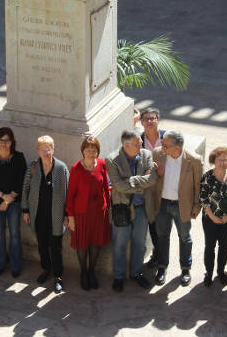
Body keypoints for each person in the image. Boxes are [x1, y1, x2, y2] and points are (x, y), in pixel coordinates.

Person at [106, 130, 157, 292]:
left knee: (140, 243)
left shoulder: (146, 155)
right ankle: (119, 276)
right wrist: (140, 183)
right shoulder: (112, 159)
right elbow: (118, 186)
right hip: (122, 208)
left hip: (141, 208)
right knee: (120, 244)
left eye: (140, 142)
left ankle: (136, 273)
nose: (141, 144)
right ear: (126, 145)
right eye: (138, 143)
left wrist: (130, 182)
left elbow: (153, 179)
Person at [152, 130, 203, 287]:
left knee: (184, 237)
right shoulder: (157, 154)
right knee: (162, 236)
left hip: (182, 205)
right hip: (162, 204)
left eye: (165, 145)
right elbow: (152, 178)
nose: (162, 147)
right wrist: (158, 175)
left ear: (177, 147)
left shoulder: (194, 160)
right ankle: (162, 268)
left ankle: (185, 269)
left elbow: (198, 186)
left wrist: (196, 207)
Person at [22, 136, 69, 293]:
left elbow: (68, 192)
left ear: (53, 149)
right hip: (38, 214)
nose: (46, 152)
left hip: (56, 215)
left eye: (49, 148)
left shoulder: (61, 168)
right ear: (38, 151)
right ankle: (45, 269)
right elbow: (25, 189)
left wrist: (67, 214)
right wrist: (25, 210)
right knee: (42, 245)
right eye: (43, 149)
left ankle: (57, 276)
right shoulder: (33, 167)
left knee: (56, 247)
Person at [66, 136, 111, 291]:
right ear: (83, 151)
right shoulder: (76, 168)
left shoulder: (102, 164)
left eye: (94, 150)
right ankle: (83, 273)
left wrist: (108, 208)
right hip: (82, 214)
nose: (91, 153)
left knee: (96, 243)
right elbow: (70, 195)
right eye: (88, 150)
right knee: (83, 244)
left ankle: (92, 272)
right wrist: (70, 217)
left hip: (99, 213)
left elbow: (105, 186)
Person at [0, 128, 26, 277]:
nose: (4, 143)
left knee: (15, 234)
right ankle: (0, 263)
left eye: (7, 140)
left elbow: (21, 180)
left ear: (12, 142)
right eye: (1, 140)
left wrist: (9, 199)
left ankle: (16, 266)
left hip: (14, 202)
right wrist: (3, 197)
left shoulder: (18, 158)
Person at [200, 147, 227, 287]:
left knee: (224, 247)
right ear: (214, 160)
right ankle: (209, 273)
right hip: (210, 219)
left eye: (225, 160)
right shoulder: (207, 176)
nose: (223, 162)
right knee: (209, 246)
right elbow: (203, 199)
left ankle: (221, 272)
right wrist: (212, 216)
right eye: (219, 159)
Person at [140, 107, 165, 268]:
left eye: (153, 118)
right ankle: (158, 255)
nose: (150, 121)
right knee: (153, 224)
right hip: (148, 189)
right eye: (146, 119)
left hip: (166, 187)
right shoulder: (138, 140)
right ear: (142, 122)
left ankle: (162, 257)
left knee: (165, 225)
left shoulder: (167, 138)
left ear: (158, 120)